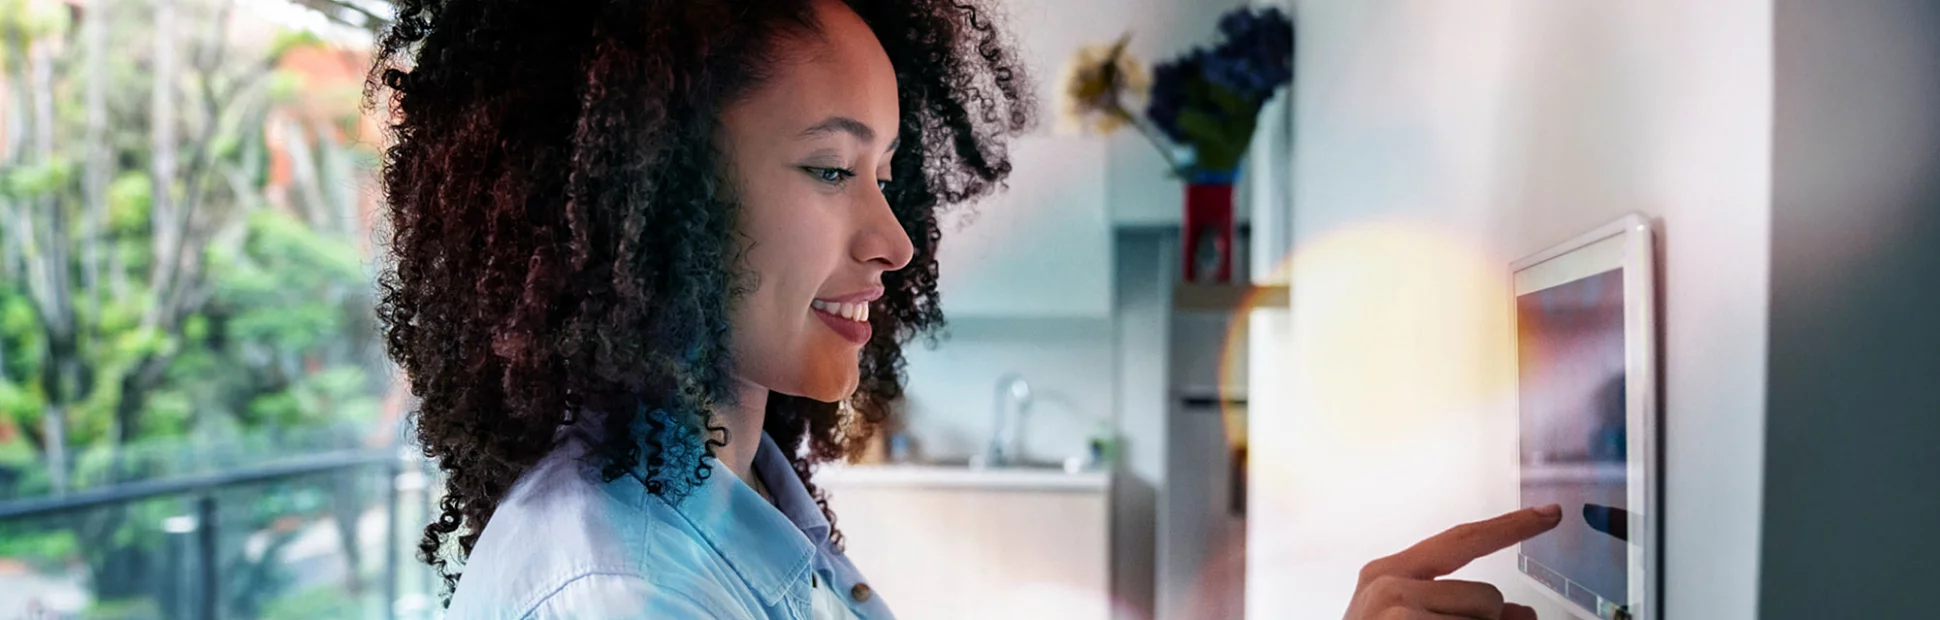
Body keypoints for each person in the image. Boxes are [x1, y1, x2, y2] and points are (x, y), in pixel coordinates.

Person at [367, 0, 1561, 618]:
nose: (889, 241)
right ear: (643, 189)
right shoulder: (625, 598)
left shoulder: (732, 510)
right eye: (831, 170)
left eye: (884, 176)